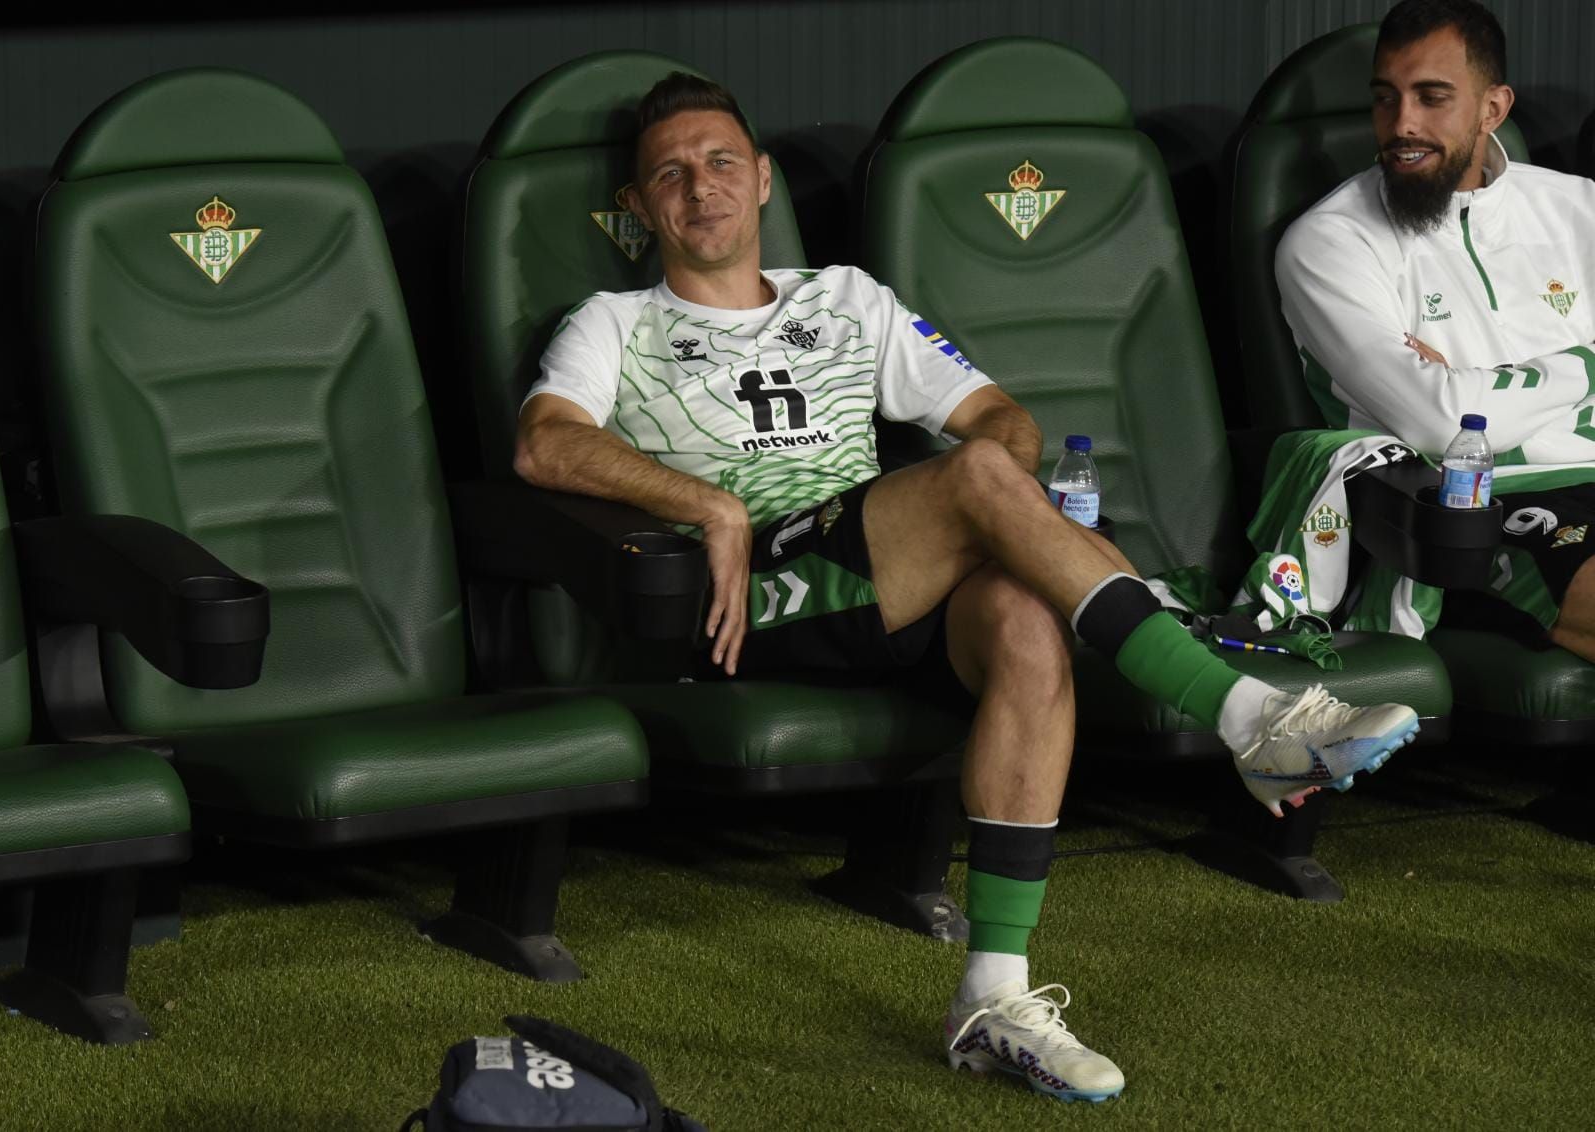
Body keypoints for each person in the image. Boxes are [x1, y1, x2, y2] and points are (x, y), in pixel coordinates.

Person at [517, 72, 1419, 1105]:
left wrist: (1017, 527)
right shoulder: (615, 321)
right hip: (754, 594)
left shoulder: (847, 298)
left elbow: (1002, 421)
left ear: (762, 179)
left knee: (1027, 613)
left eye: (721, 161)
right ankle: (1245, 711)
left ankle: (993, 996)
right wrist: (711, 508)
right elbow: (545, 445)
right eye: (669, 173)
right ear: (638, 208)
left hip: (883, 578)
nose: (700, 187)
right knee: (982, 485)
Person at [1277, 0, 1595, 660]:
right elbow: (1446, 425)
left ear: (1493, 108)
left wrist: (1476, 386)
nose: (1402, 124)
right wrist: (1587, 368)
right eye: (1385, 98)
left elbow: (1466, 405)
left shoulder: (1579, 209)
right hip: (1485, 509)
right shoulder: (1330, 242)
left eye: (1432, 98)